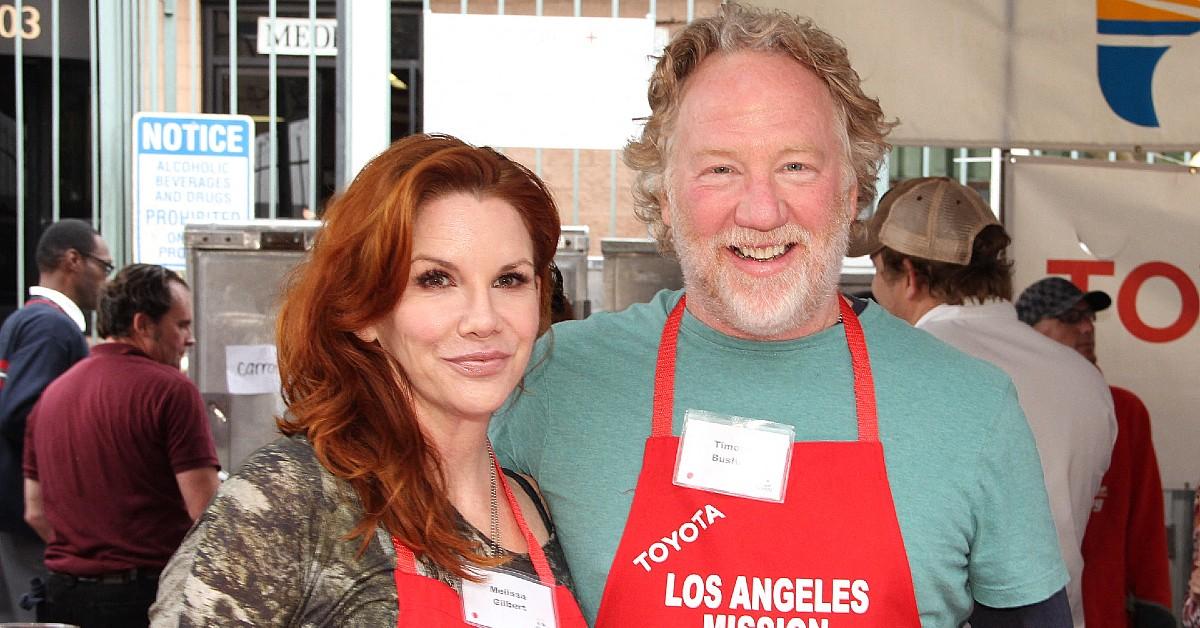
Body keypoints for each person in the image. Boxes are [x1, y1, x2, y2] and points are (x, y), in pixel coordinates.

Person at [490, 4, 1071, 626]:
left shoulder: (972, 407)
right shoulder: (548, 384)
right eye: (720, 168)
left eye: (796, 165)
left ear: (850, 194)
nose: (762, 212)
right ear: (665, 198)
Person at [150, 134, 587, 626]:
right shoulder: (294, 500)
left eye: (509, 280)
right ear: (365, 312)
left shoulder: (538, 508)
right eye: (435, 279)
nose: (483, 319)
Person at [856, 176, 1117, 627]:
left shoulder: (887, 372)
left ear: (910, 276)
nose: (876, 291)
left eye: (879, 273)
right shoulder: (1086, 380)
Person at [20, 263, 218, 628]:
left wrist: (91, 554)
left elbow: (35, 511)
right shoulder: (171, 390)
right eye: (181, 325)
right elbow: (205, 510)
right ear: (143, 324)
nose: (189, 338)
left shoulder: (52, 394)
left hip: (63, 597)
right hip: (144, 598)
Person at [1017, 276, 1175, 628]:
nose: (1087, 328)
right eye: (1070, 318)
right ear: (1028, 333)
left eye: (1089, 317)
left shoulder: (1125, 410)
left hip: (1108, 614)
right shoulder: (1008, 407)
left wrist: (1155, 605)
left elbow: (1145, 521)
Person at [0, 218, 111, 621]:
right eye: (104, 266)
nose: (105, 279)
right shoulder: (51, 327)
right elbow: (20, 410)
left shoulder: (27, 319)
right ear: (73, 261)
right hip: (29, 513)